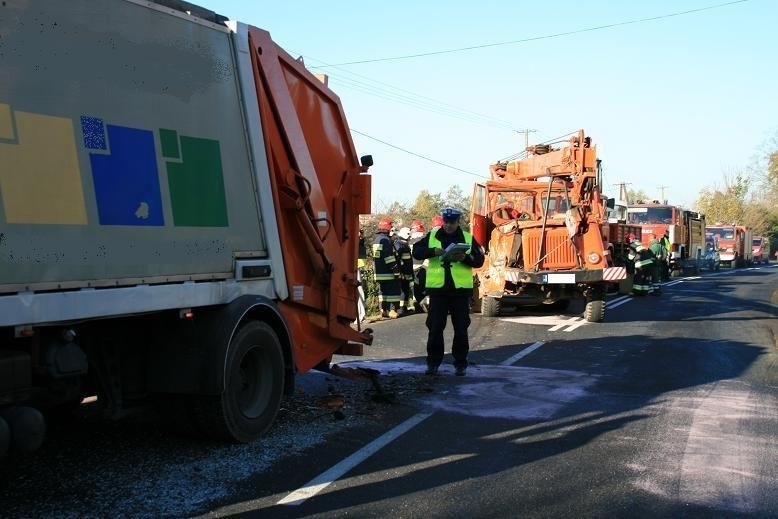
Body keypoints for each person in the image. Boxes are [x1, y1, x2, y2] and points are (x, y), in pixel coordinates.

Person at [412, 207, 484, 376]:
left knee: (461, 329)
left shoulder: (466, 238)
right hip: (438, 292)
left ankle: (460, 363)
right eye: (446, 222)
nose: (449, 226)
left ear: (458, 222)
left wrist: (466, 258)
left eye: (452, 223)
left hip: (460, 292)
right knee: (435, 328)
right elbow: (416, 251)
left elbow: (479, 260)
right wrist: (432, 252)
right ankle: (433, 363)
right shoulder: (433, 236)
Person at [372, 217, 401, 318]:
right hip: (388, 272)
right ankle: (392, 310)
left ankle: (383, 310)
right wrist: (395, 269)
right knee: (393, 291)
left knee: (382, 292)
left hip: (379, 272)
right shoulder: (386, 240)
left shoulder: (376, 240)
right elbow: (388, 257)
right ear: (388, 228)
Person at [394, 227, 415, 315]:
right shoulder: (399, 244)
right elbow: (398, 259)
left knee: (406, 290)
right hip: (403, 272)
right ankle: (400, 309)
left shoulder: (404, 244)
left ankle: (405, 308)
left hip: (407, 272)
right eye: (409, 236)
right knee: (402, 291)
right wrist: (401, 272)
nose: (410, 238)